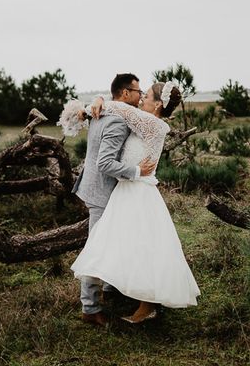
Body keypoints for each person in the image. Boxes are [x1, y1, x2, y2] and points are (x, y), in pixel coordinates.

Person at [65, 81, 200, 324]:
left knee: (143, 247)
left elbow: (121, 109)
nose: (142, 99)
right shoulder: (142, 121)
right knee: (128, 245)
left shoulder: (156, 124)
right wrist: (96, 101)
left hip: (138, 191)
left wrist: (98, 101)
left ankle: (147, 304)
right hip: (126, 190)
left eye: (147, 95)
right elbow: (118, 112)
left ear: (158, 104)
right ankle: (122, 295)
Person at [64, 73, 157, 327]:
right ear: (125, 94)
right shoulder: (116, 119)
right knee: (97, 247)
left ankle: (112, 289)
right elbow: (105, 163)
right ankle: (90, 308)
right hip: (102, 191)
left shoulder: (104, 109)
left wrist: (98, 99)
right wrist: (138, 172)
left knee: (113, 242)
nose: (140, 97)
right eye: (138, 92)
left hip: (97, 189)